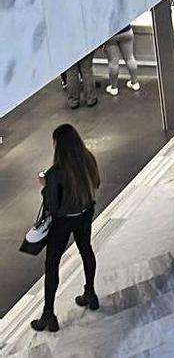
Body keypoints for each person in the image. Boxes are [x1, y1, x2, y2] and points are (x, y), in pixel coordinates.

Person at [31, 124, 101, 333]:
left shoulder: (55, 172)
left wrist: (45, 184)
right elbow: (96, 183)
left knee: (52, 264)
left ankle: (49, 314)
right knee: (86, 250)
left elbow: (52, 204)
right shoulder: (88, 159)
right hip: (85, 214)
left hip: (63, 222)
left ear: (58, 144)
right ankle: (90, 293)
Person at [101, 25, 141, 96]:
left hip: (110, 34)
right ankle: (135, 83)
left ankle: (114, 88)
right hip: (126, 30)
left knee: (113, 62)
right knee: (130, 58)